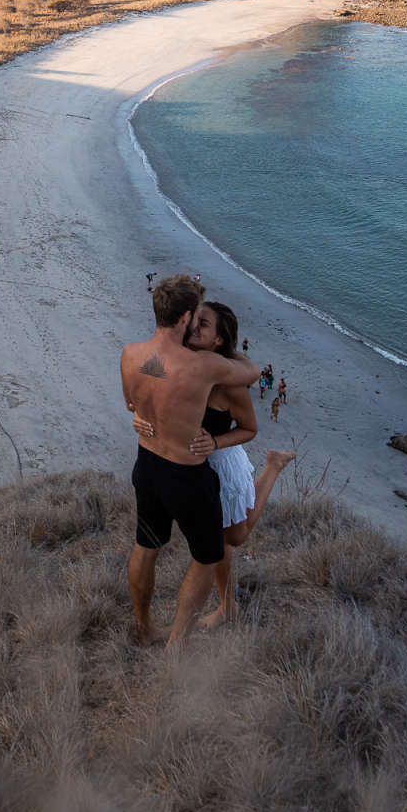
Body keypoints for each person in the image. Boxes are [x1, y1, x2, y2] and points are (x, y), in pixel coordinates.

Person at [134, 301, 295, 627]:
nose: (193, 326)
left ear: (219, 340)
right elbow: (142, 394)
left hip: (220, 465)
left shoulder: (229, 384)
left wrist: (217, 442)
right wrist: (139, 415)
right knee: (215, 541)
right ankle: (228, 606)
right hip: (178, 467)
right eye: (193, 318)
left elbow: (250, 429)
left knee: (233, 538)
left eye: (203, 324)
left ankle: (273, 466)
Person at [120, 274, 260, 650]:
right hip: (185, 474)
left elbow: (134, 403)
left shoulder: (134, 354)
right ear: (184, 317)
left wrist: (140, 415)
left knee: (146, 546)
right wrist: (228, 349)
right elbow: (253, 372)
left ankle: (143, 626)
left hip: (146, 463)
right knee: (206, 556)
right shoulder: (204, 368)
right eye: (196, 315)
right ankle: (176, 645)